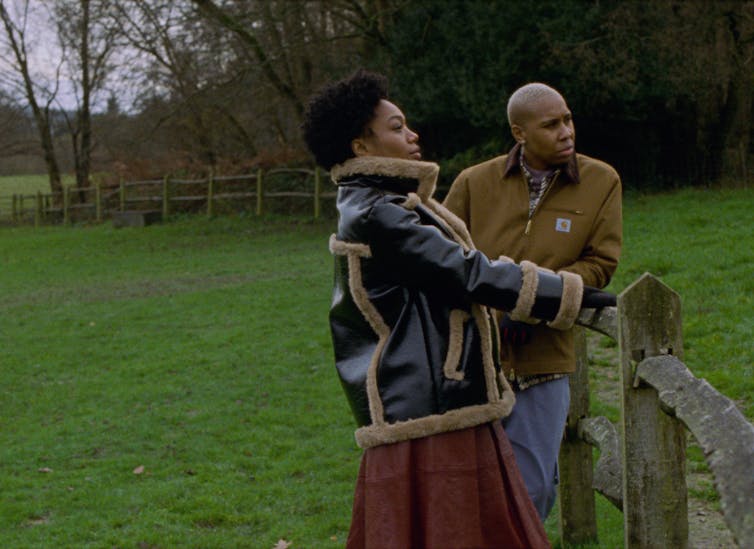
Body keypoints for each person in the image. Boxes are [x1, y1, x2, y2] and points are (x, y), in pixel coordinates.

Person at [301, 70, 615, 548]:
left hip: (432, 397)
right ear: (361, 147)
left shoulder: (379, 203)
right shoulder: (380, 212)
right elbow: (468, 270)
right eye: (397, 127)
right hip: (427, 404)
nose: (412, 135)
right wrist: (563, 292)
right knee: (453, 529)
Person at [443, 82, 623, 521]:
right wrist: (496, 311)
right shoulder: (473, 182)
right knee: (466, 486)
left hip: (545, 360)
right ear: (519, 132)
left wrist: (535, 304)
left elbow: (599, 264)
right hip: (471, 360)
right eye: (551, 124)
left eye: (568, 119)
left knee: (534, 490)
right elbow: (443, 258)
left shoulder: (601, 181)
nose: (566, 132)